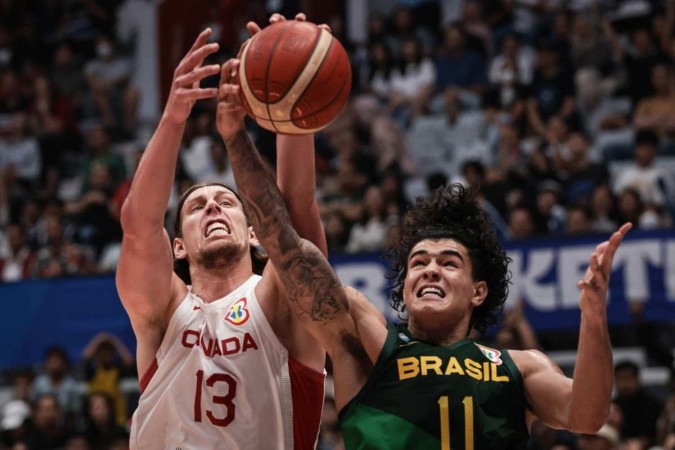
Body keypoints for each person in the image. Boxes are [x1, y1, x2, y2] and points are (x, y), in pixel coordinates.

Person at [216, 62, 632, 448]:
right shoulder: (366, 342)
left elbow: (588, 415)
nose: (430, 270)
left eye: (449, 262)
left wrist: (594, 317)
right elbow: (284, 242)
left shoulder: (519, 367)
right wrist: (237, 139)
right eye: (418, 262)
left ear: (478, 291)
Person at [116, 17, 327, 450]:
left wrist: (292, 100)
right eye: (196, 206)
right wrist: (174, 116)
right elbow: (139, 226)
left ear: (254, 234)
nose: (212, 205)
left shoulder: (277, 303)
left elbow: (296, 209)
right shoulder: (162, 313)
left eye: (227, 202)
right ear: (178, 246)